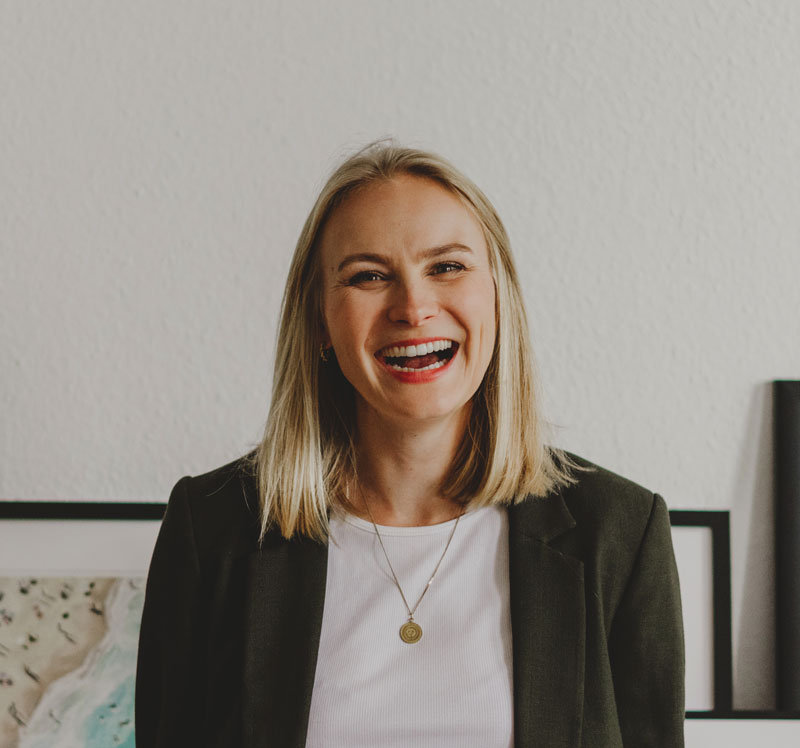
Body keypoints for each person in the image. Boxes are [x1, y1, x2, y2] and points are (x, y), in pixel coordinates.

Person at [135, 142, 685, 747]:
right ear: (319, 319)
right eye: (368, 276)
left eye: (446, 267)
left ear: (498, 296)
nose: (414, 308)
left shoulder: (620, 532)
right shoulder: (211, 528)